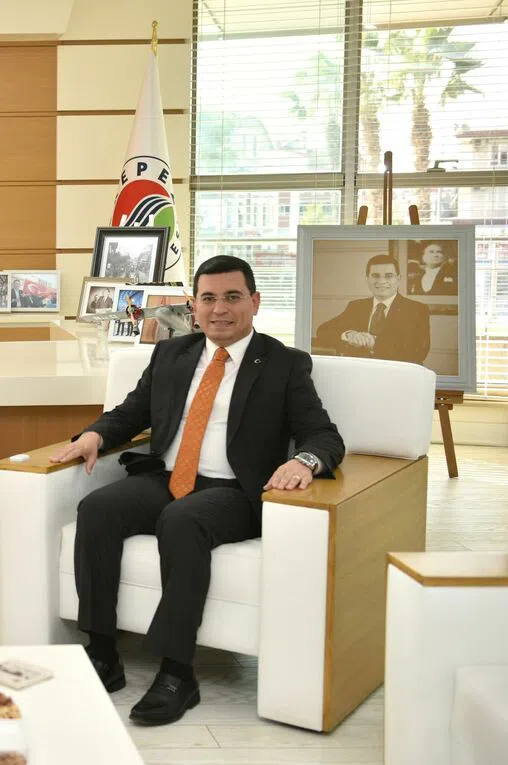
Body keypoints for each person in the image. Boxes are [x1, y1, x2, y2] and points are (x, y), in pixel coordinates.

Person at [49, 255, 344, 726]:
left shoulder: (284, 364)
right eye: (208, 298)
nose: (219, 309)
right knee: (98, 508)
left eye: (232, 297)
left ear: (255, 302)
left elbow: (323, 436)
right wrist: (94, 435)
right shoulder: (171, 355)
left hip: (235, 491)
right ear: (194, 306)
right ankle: (102, 653)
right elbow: (130, 412)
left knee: (182, 521)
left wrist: (302, 462)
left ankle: (177, 672)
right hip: (167, 478)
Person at [314, 254, 431, 365]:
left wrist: (375, 343)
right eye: (375, 276)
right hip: (360, 373)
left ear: (398, 279)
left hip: (397, 375)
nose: (381, 281)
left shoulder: (417, 310)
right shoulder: (356, 306)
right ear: (367, 279)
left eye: (388, 276)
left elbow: (419, 352)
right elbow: (323, 331)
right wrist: (348, 335)